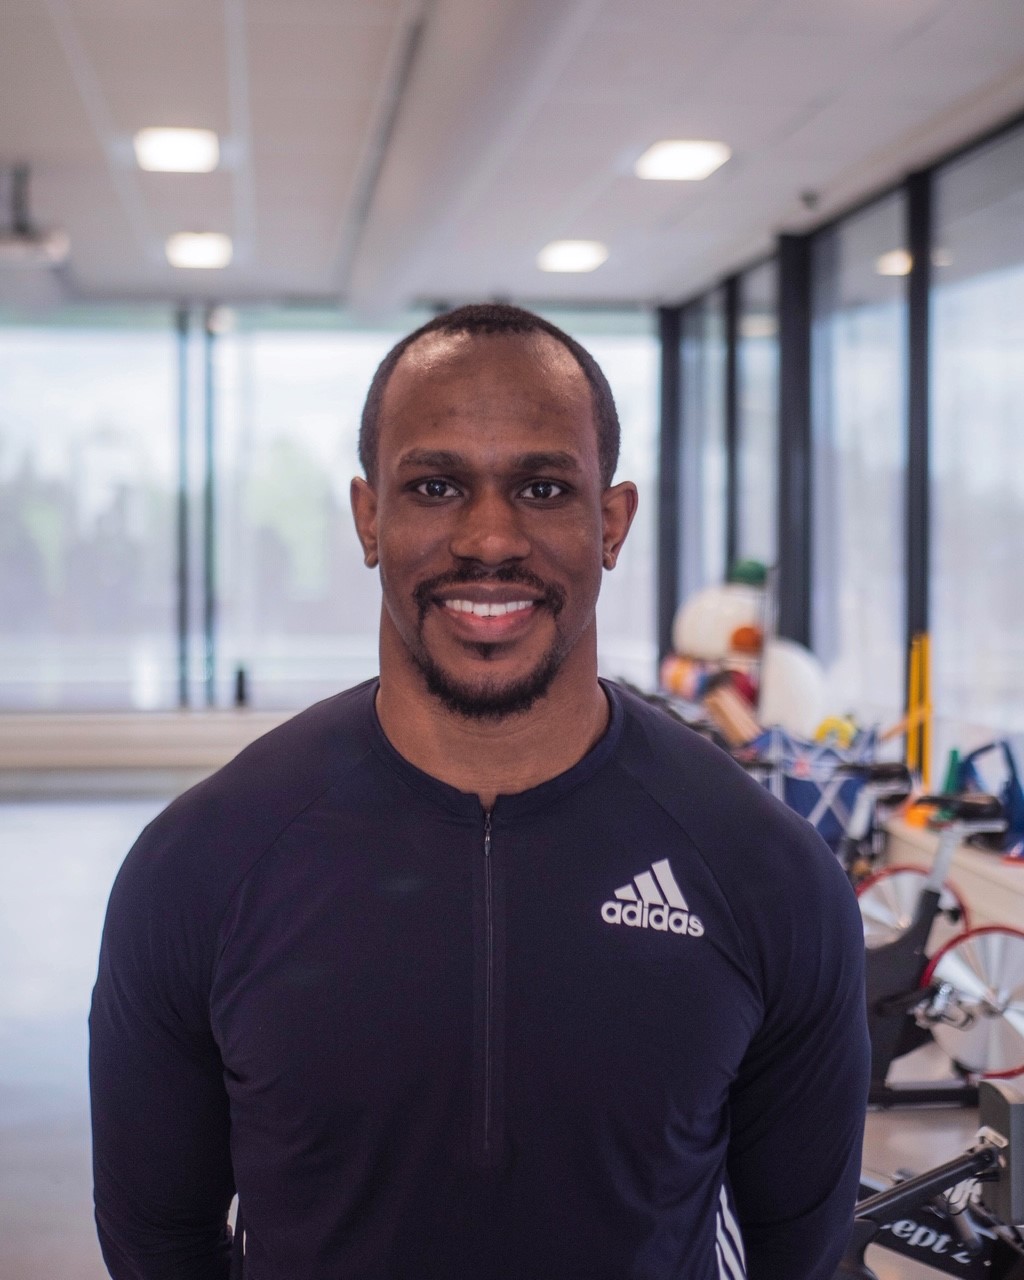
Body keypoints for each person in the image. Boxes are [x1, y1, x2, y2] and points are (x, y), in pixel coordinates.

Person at [89, 303, 869, 1280]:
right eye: (435, 485)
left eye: (542, 487)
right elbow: (158, 1240)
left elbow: (800, 1252)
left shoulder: (766, 871)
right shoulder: (202, 863)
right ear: (369, 517)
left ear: (611, 521)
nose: (490, 537)